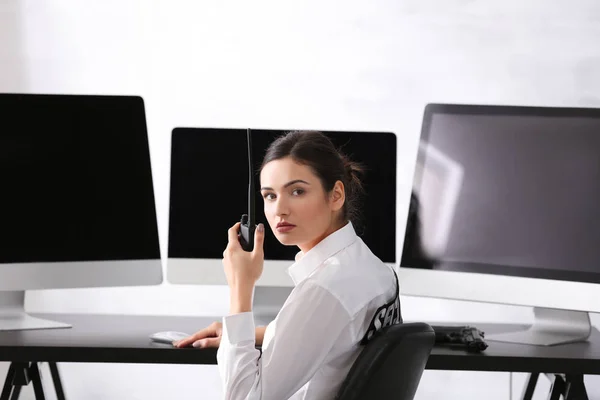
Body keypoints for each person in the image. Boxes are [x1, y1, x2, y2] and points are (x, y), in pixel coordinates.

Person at [173, 130, 402, 400]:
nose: (280, 209)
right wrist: (246, 334)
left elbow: (244, 397)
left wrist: (240, 287)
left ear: (336, 195)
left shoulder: (325, 288)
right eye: (269, 196)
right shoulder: (370, 268)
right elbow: (332, 331)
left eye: (297, 191)